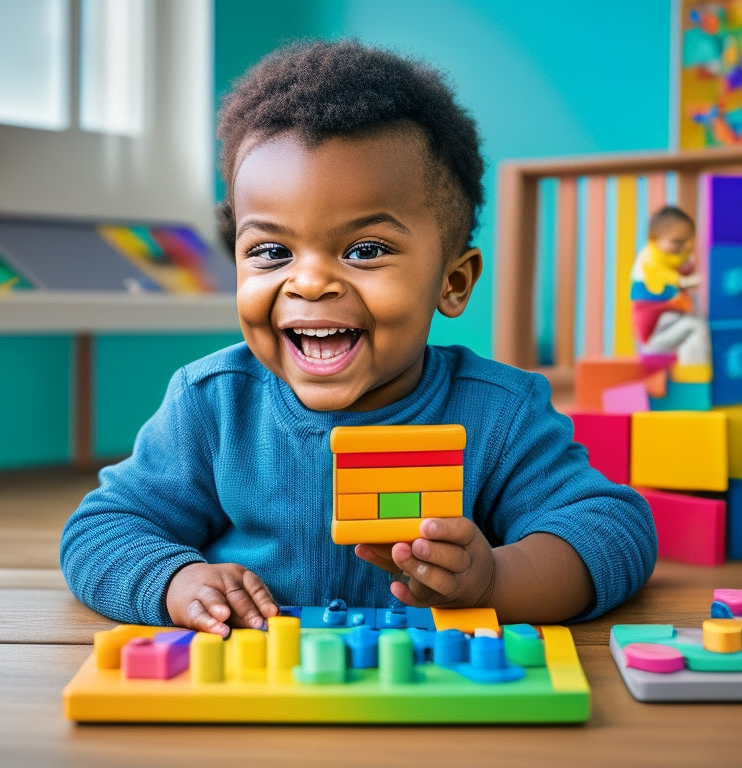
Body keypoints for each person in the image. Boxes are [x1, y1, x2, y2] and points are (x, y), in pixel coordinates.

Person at [60, 40, 656, 638]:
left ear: (452, 282)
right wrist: (175, 581)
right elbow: (101, 529)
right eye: (270, 251)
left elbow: (612, 528)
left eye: (365, 250)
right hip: (262, 701)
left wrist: (495, 580)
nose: (311, 282)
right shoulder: (211, 403)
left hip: (429, 703)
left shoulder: (499, 412)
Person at [630, 205, 711, 367]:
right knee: (697, 327)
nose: (685, 248)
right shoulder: (648, 261)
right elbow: (669, 279)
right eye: (677, 242)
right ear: (654, 238)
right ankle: (694, 378)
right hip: (653, 335)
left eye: (688, 242)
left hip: (667, 328)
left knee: (695, 325)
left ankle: (691, 375)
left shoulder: (672, 261)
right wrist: (687, 280)